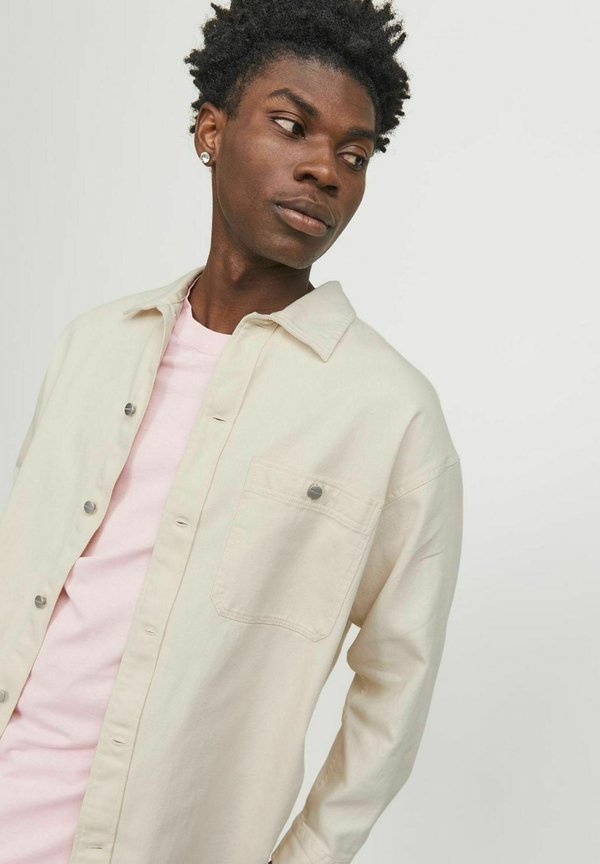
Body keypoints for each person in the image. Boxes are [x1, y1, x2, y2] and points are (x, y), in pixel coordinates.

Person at [0, 1, 464, 862]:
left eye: (355, 155)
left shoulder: (389, 413)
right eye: (292, 126)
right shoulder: (94, 346)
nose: (325, 169)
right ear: (211, 131)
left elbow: (395, 691)